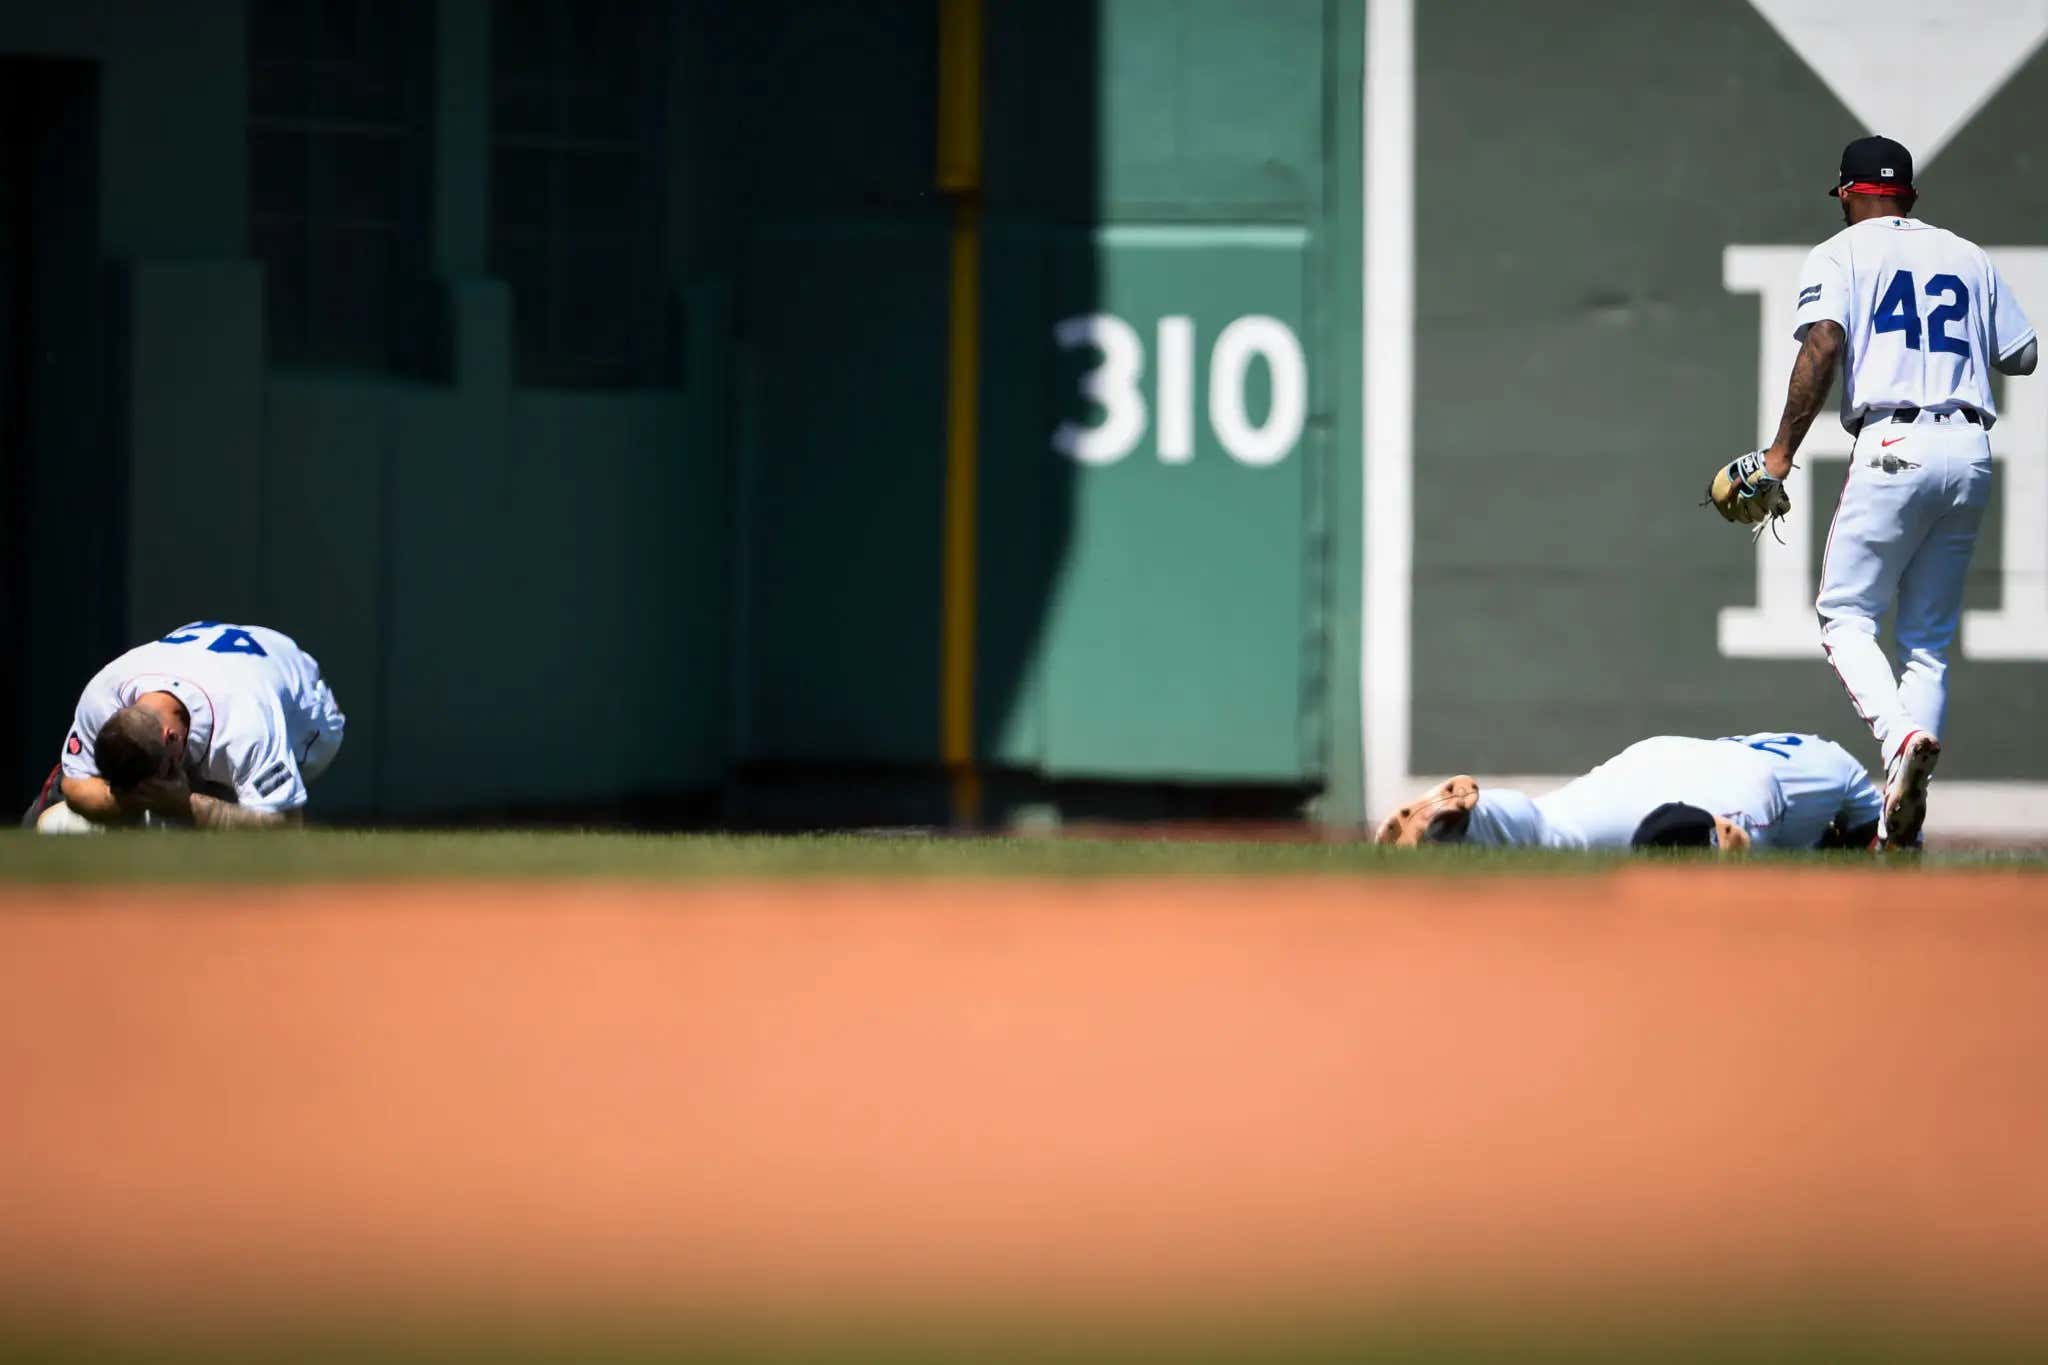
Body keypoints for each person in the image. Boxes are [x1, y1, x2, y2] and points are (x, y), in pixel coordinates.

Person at [1707, 136, 2036, 849]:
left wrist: (1781, 454)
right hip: (1971, 446)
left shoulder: (1842, 251)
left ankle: (1901, 740)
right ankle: (1899, 824)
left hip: (1893, 443)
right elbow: (2025, 353)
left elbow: (1822, 343)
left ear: (1850, 195)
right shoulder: (1968, 255)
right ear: (1908, 196)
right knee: (1926, 643)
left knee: (1844, 615)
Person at [25, 620, 345, 832]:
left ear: (172, 738)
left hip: (308, 715)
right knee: (39, 821)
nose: (142, 789)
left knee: (220, 826)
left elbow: (285, 823)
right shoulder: (103, 694)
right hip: (209, 661)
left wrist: (186, 805)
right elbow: (75, 783)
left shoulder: (245, 723)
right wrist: (128, 799)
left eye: (149, 779)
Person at [1375, 732, 1882, 852]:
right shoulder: (1840, 764)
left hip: (1657, 755)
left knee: (1550, 828)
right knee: (1738, 850)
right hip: (1743, 786)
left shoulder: (1789, 744)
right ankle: (1706, 838)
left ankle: (1466, 822)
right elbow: (1882, 842)